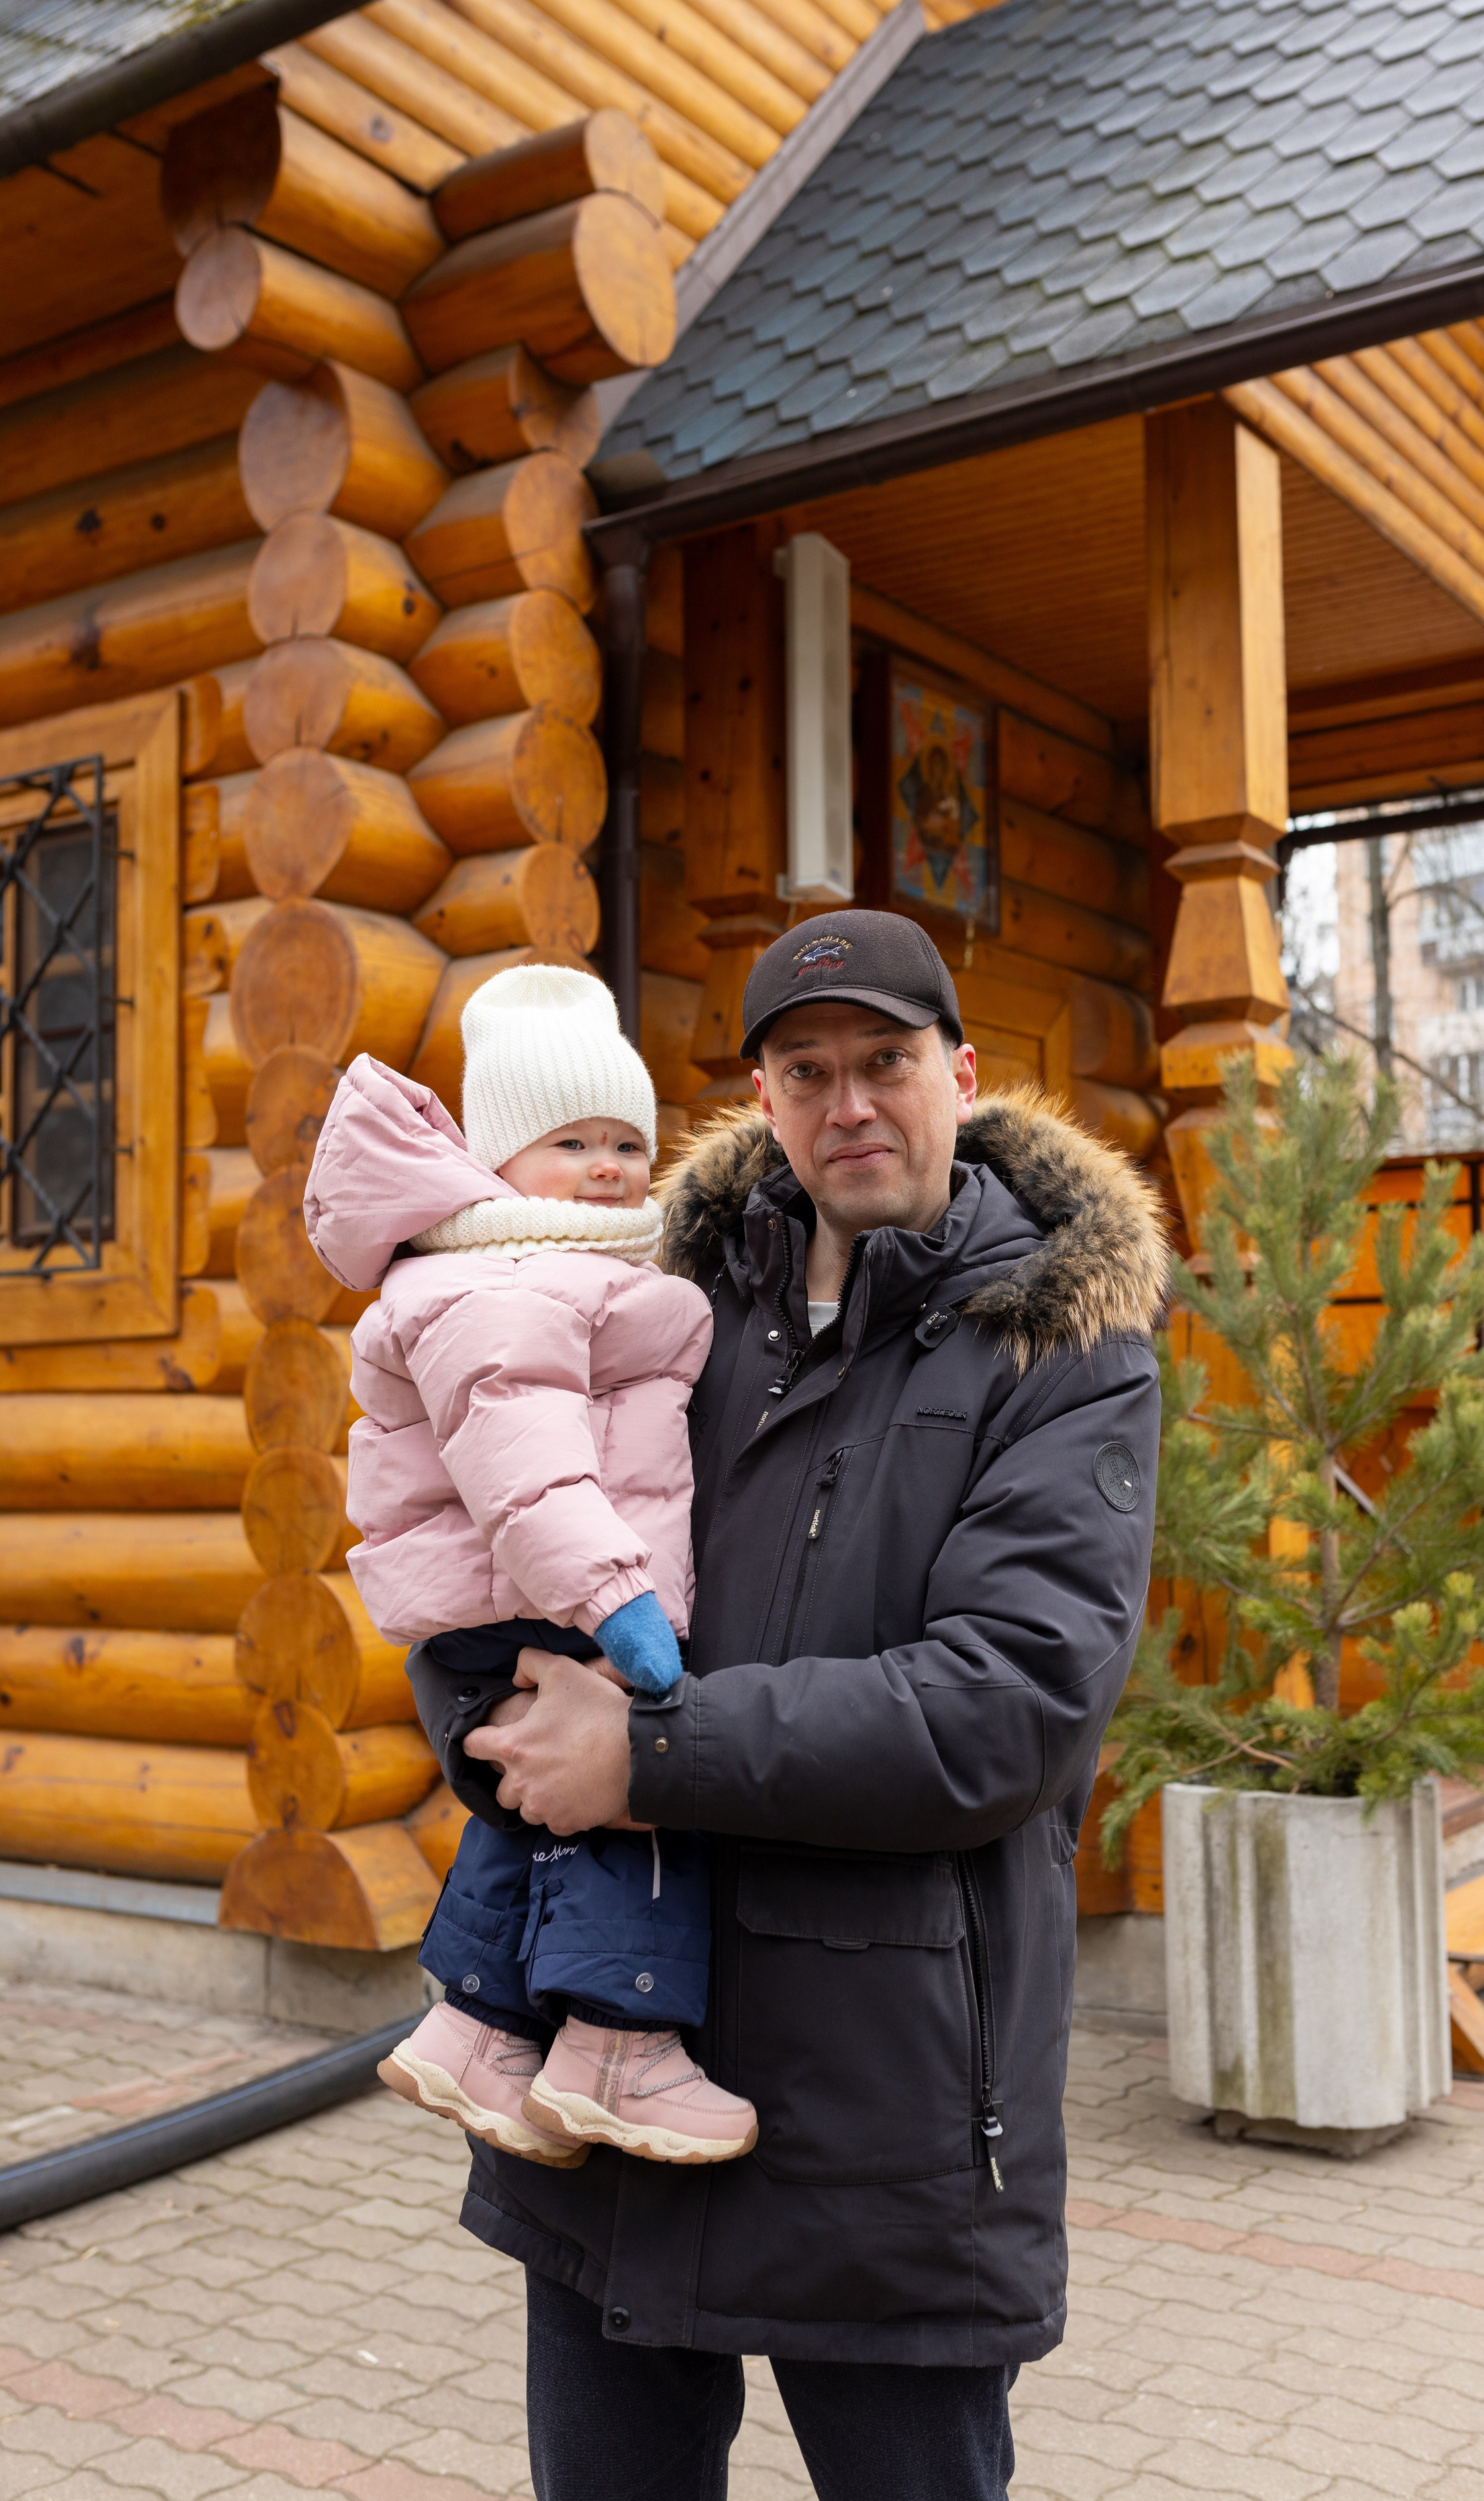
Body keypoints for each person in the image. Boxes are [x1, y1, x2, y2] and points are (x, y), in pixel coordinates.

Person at [407, 909, 1168, 2501]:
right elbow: (477, 1559)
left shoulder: (1058, 1346)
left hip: (883, 2101)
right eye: (806, 1073)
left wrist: (643, 1753)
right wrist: (498, 1739)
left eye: (885, 1063)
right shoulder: (645, 1310)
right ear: (761, 1097)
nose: (850, 1108)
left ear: (959, 1073)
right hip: (611, 2074)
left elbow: (1006, 1709)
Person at [302, 964, 758, 2167]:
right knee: (631, 1795)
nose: (609, 1167)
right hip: (550, 1588)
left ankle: (479, 2026)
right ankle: (622, 2046)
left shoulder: (544, 1260)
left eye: (625, 1140)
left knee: (534, 1808)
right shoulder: (510, 1278)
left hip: (522, 1592)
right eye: (571, 1142)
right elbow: (529, 1473)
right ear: (500, 1160)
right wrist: (624, 1612)